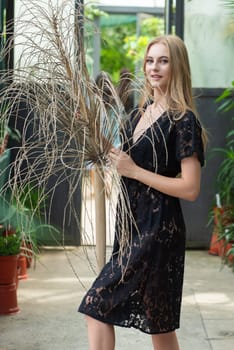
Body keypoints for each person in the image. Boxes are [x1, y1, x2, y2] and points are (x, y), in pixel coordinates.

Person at [78, 34, 206, 350]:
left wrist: (135, 172)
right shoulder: (139, 113)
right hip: (131, 226)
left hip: (158, 230)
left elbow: (190, 188)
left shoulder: (183, 119)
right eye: (150, 60)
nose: (154, 67)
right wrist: (92, 132)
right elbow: (124, 161)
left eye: (163, 60)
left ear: (178, 67)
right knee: (159, 325)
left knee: (97, 306)